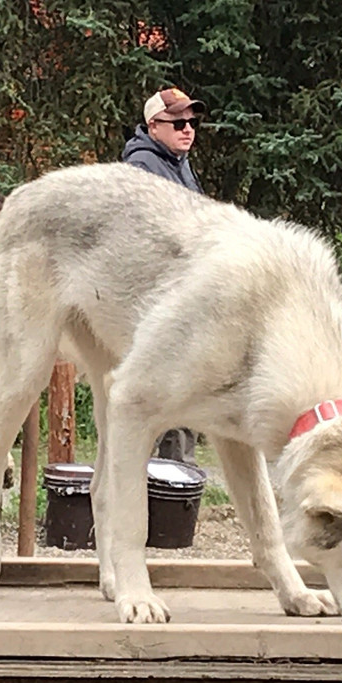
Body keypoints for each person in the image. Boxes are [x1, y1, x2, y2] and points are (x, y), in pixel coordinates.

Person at [120, 86, 206, 464]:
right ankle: (163, 488)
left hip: (188, 296)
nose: (187, 129)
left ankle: (177, 489)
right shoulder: (142, 168)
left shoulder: (178, 163)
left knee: (185, 398)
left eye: (191, 122)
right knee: (164, 398)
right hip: (158, 301)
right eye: (178, 123)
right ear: (154, 126)